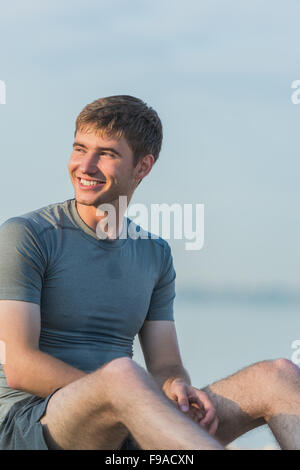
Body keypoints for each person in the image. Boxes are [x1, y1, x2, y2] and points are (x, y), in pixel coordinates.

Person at [0, 96, 299, 451]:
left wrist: (172, 386)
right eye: (80, 149)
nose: (86, 165)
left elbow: (166, 365)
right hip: (33, 422)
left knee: (278, 375)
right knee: (123, 374)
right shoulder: (27, 235)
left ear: (142, 167)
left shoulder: (153, 253)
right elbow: (19, 364)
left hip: (129, 413)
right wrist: (122, 397)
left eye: (107, 154)